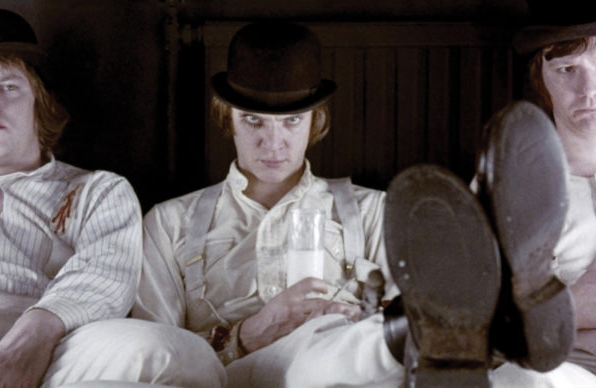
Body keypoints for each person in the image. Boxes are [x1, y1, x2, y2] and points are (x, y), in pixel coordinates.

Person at [133, 21, 596, 387]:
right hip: (246, 374)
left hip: (359, 369)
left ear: (316, 122)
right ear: (226, 119)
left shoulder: (374, 210)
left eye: (291, 121)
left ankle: (457, 334)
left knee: (359, 347)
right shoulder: (172, 222)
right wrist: (249, 333)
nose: (272, 141)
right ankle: (472, 333)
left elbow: (398, 300)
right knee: (311, 360)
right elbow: (156, 355)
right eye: (253, 120)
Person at [0, 8, 225, 388]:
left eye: (8, 86)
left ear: (39, 103)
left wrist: (30, 337)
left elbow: (106, 273)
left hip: (55, 344)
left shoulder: (97, 190)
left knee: (179, 353)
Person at [511, 0, 596, 377]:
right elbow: (484, 320)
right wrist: (577, 303)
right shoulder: (509, 185)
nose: (588, 89)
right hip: (556, 370)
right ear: (541, 79)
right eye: (566, 69)